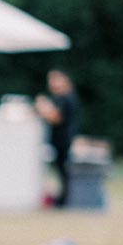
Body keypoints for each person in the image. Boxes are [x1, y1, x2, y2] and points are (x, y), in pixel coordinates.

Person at [35, 70, 80, 208]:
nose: (52, 83)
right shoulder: (65, 97)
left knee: (63, 171)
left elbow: (56, 118)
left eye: (55, 80)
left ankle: (64, 201)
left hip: (63, 139)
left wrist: (42, 108)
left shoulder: (64, 98)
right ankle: (64, 200)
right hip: (63, 139)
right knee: (62, 171)